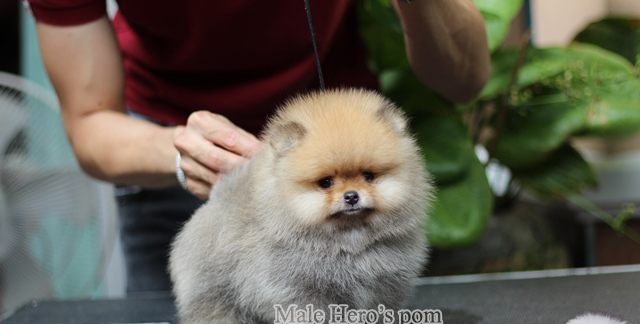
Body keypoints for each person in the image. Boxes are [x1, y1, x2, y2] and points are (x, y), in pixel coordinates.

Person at [27, 0, 490, 293]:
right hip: (177, 168)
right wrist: (182, 150)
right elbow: (89, 122)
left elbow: (466, 80)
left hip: (338, 150)